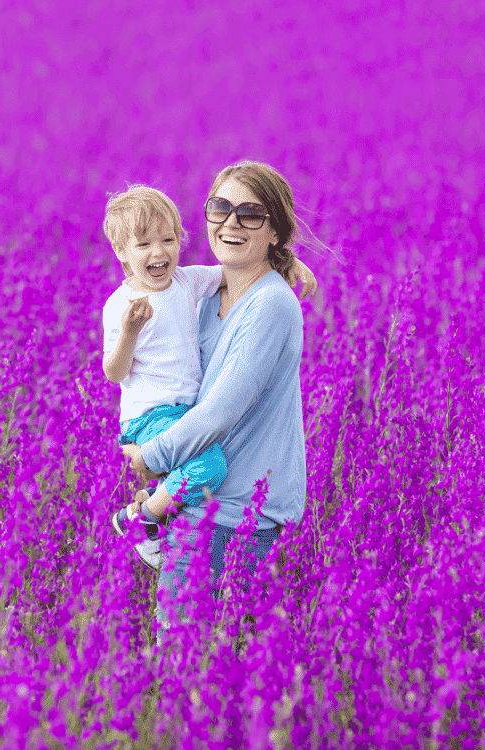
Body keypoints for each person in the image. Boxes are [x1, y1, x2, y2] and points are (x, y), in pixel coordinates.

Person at [120, 161, 311, 634]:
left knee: (186, 657)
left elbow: (221, 411)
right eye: (220, 207)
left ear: (274, 231)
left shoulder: (271, 304)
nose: (231, 222)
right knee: (204, 659)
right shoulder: (204, 297)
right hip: (199, 498)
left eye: (250, 214)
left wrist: (150, 453)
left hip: (237, 511)